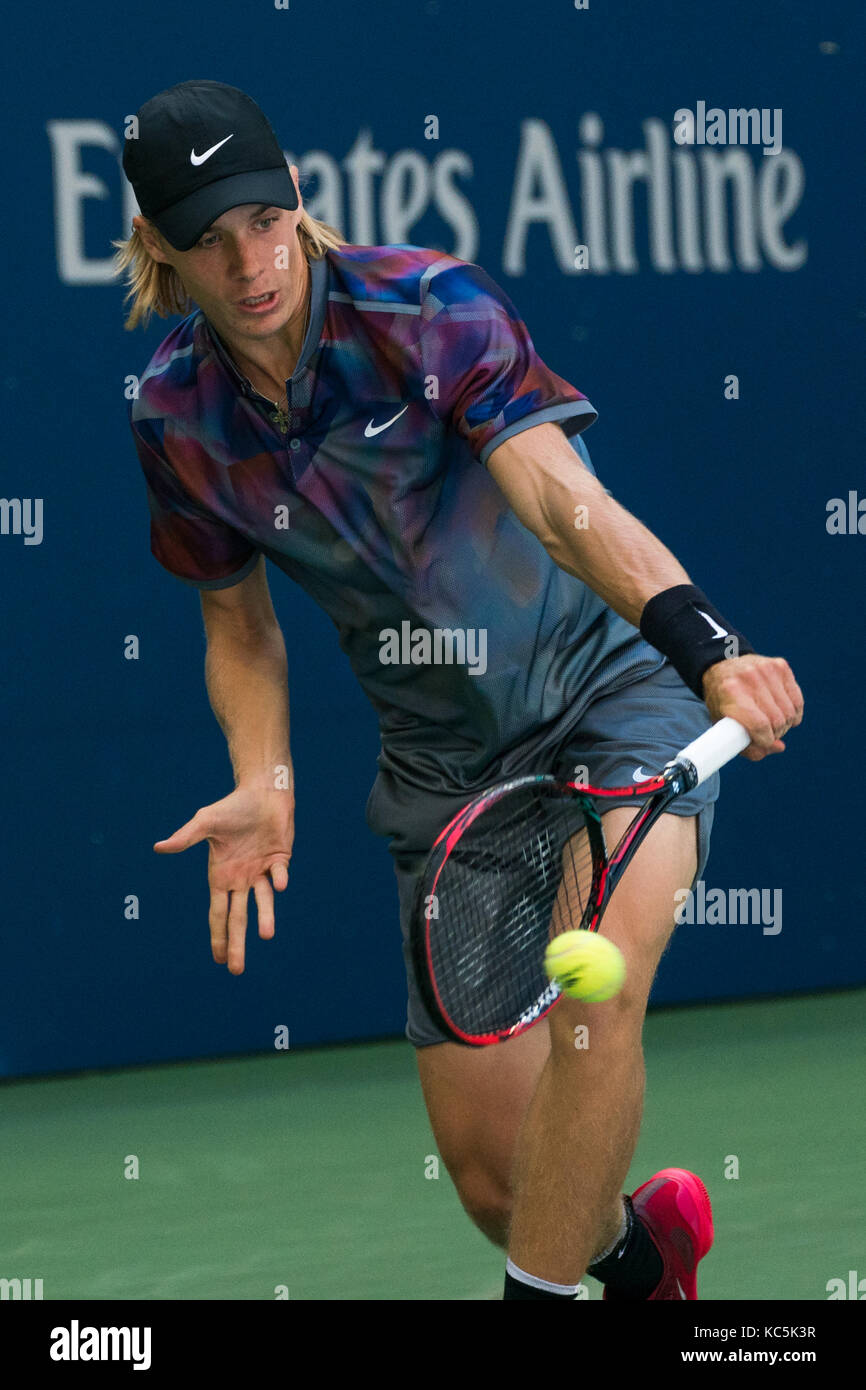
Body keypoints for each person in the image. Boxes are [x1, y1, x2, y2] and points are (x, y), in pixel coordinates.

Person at [115, 80, 803, 1301]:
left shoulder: (425, 309)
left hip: (611, 688)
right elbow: (240, 629)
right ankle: (646, 1261)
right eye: (209, 240)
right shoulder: (177, 413)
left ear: (298, 202)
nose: (251, 260)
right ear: (160, 250)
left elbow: (555, 496)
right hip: (446, 772)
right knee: (503, 1187)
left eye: (265, 219)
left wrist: (705, 647)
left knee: (593, 986)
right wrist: (263, 781)